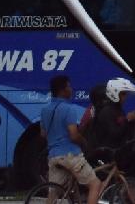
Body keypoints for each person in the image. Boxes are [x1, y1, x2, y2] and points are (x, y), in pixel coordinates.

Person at [43, 75, 105, 204]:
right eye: (69, 86)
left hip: (53, 156)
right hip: (70, 155)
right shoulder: (69, 109)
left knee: (53, 193)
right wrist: (84, 142)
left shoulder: (45, 110)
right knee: (95, 185)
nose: (71, 89)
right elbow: (74, 135)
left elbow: (43, 134)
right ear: (63, 90)